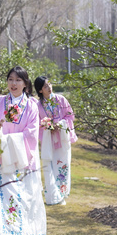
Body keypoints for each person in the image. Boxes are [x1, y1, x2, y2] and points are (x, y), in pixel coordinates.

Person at [0, 66, 47, 235]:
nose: (13, 83)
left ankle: (26, 234)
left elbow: (32, 132)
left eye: (18, 80)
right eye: (10, 79)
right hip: (4, 157)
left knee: (27, 197)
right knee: (9, 196)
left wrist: (12, 140)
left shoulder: (32, 105)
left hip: (24, 158)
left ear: (25, 84)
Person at [33, 76, 77, 206]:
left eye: (50, 84)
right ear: (40, 90)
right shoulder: (38, 106)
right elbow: (36, 124)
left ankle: (61, 195)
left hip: (62, 140)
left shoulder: (61, 100)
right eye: (46, 86)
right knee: (49, 167)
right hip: (49, 141)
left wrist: (61, 124)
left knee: (63, 166)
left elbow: (70, 116)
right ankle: (52, 196)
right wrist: (47, 128)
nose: (50, 88)